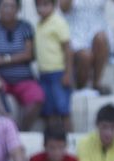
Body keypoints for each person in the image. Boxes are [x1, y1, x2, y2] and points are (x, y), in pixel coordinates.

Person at [0, 0, 41, 130]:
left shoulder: (25, 27)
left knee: (37, 97)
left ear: (18, 9)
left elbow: (28, 54)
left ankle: (23, 130)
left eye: (12, 6)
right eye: (4, 6)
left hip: (23, 78)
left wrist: (3, 59)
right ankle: (6, 119)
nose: (8, 9)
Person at [63, 0, 114, 95]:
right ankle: (80, 87)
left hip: (98, 28)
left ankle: (96, 83)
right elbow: (63, 8)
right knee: (85, 56)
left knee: (101, 38)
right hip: (75, 30)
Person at [33, 0, 71, 128]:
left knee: (63, 110)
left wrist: (68, 73)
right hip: (43, 74)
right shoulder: (39, 24)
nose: (41, 8)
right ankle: (52, 139)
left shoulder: (59, 22)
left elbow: (67, 48)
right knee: (48, 111)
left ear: (54, 6)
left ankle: (70, 139)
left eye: (45, 5)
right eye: (38, 5)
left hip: (58, 73)